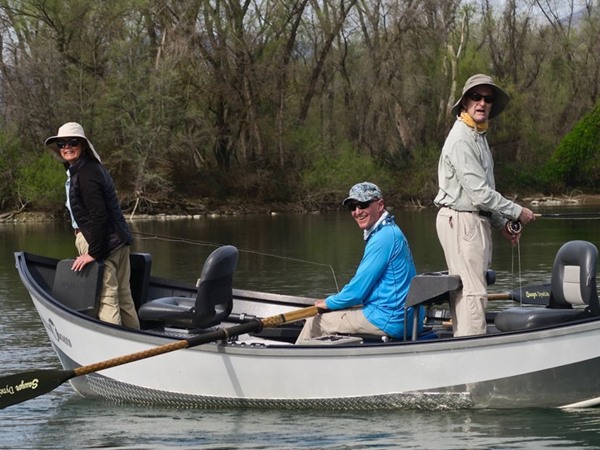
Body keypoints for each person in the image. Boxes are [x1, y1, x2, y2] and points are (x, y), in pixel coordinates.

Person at [434, 74, 536, 337]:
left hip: (473, 219)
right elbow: (480, 195)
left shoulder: (477, 135)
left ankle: (465, 349)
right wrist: (517, 212)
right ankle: (473, 355)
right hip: (463, 221)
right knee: (473, 293)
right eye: (475, 97)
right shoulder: (461, 139)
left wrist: (502, 224)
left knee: (467, 290)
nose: (482, 103)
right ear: (465, 102)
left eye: (487, 99)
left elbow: (482, 194)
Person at [296, 182, 422, 343]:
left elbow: (357, 291)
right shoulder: (390, 230)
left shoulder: (383, 238)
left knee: (315, 321)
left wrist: (328, 303)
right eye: (352, 207)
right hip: (402, 317)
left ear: (380, 205)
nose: (357, 212)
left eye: (363, 205)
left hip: (390, 319)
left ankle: (295, 364)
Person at [45, 122, 140, 329]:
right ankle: (136, 343)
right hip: (119, 242)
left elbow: (99, 215)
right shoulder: (90, 169)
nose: (67, 147)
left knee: (108, 298)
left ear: (83, 145)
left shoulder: (86, 173)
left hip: (100, 243)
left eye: (73, 142)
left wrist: (93, 253)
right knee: (124, 296)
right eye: (62, 143)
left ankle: (117, 354)